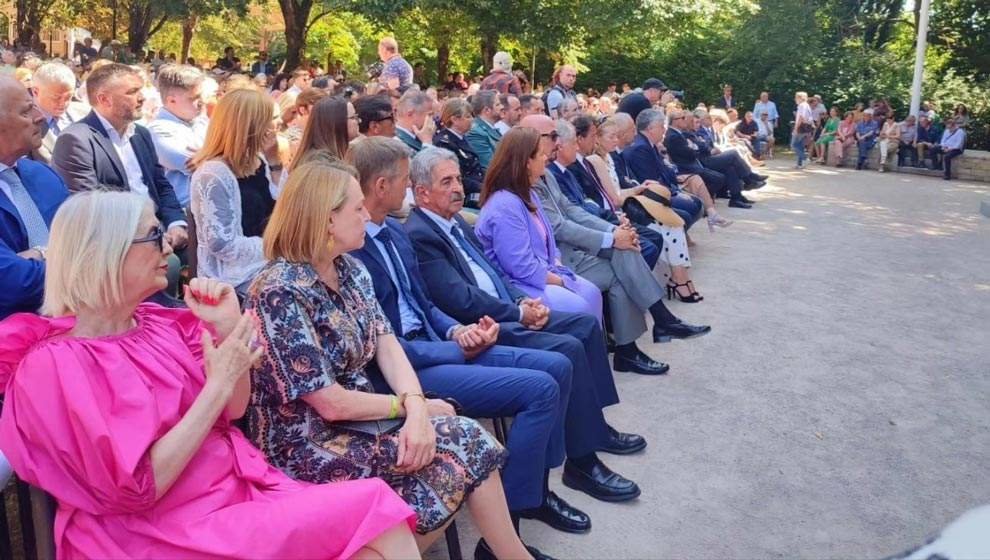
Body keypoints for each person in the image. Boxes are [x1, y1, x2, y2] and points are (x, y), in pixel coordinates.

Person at [0, 189, 421, 559]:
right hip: (155, 532)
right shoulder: (53, 365)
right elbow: (136, 488)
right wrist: (216, 386)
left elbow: (232, 410)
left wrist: (226, 329)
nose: (169, 245)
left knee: (372, 540)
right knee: (376, 510)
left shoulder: (159, 325)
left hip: (231, 495)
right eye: (152, 235)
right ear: (104, 252)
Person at [342, 139, 566, 559]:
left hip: (435, 346)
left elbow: (423, 304)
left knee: (554, 367)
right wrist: (452, 350)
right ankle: (506, 532)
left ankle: (528, 500)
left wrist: (457, 332)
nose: (411, 189)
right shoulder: (354, 251)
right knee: (541, 389)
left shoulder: (391, 230)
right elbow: (382, 346)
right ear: (381, 185)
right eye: (408, 181)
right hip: (405, 371)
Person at [405, 146, 647, 528]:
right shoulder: (420, 234)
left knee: (583, 327)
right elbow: (459, 298)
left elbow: (493, 272)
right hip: (487, 325)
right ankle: (577, 463)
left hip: (507, 310)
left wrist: (522, 300)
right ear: (421, 194)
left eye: (457, 178)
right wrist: (517, 312)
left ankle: (590, 434)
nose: (457, 188)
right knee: (564, 353)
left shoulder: (455, 222)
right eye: (446, 182)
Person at [520, 114, 710, 375]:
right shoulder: (525, 177)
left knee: (626, 251)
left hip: (573, 249)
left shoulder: (543, 173)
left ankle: (637, 343)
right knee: (624, 260)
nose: (557, 142)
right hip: (555, 261)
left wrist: (614, 230)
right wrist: (611, 237)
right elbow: (558, 226)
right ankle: (646, 334)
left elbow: (572, 210)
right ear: (529, 138)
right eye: (551, 136)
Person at [52, 63, 188, 251]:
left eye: (141, 90)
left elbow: (160, 185)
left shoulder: (141, 134)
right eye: (132, 92)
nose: (142, 98)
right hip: (119, 243)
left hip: (158, 231)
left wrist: (176, 223)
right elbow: (91, 207)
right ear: (104, 99)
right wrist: (149, 238)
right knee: (172, 268)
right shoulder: (76, 140)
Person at [475, 128, 603, 321]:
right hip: (518, 285)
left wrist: (558, 267)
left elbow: (548, 244)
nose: (546, 159)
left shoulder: (529, 193)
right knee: (578, 306)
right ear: (527, 162)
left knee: (592, 292)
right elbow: (520, 267)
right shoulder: (505, 205)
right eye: (541, 154)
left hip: (543, 273)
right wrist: (560, 281)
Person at [188, 89, 277, 290]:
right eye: (268, 120)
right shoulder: (212, 174)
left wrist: (275, 161)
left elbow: (284, 208)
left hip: (270, 260)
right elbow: (221, 244)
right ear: (249, 127)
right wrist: (275, 247)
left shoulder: (259, 161)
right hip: (235, 275)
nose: (274, 127)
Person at [0, 76, 70, 319]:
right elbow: (12, 283)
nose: (40, 117)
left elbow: (91, 241)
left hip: (72, 325)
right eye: (26, 111)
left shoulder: (43, 175)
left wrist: (39, 254)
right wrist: (75, 262)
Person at [624, 109, 709, 221]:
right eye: (661, 127)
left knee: (697, 203)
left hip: (662, 189)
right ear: (650, 129)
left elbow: (666, 171)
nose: (664, 130)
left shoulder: (650, 145)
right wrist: (674, 192)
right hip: (651, 196)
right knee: (692, 207)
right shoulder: (641, 148)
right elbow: (651, 179)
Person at [147, 64, 209, 208]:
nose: (202, 102)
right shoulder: (158, 131)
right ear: (171, 100)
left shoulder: (202, 121)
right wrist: (219, 153)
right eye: (194, 98)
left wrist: (209, 154)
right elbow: (195, 164)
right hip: (182, 215)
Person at [30, 62, 88, 165]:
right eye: (56, 98)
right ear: (35, 92)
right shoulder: (23, 125)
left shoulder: (86, 112)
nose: (63, 103)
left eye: (68, 97)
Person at [433, 98, 485, 207]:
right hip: (463, 197)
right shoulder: (445, 143)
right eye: (467, 116)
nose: (472, 120)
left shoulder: (462, 138)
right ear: (455, 119)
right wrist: (483, 187)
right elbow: (459, 177)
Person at [466, 90, 503, 169]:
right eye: (498, 105)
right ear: (487, 110)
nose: (502, 107)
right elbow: (490, 166)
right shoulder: (476, 133)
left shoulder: (491, 128)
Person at [393, 89, 436, 153]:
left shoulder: (419, 137)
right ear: (410, 113)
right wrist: (427, 142)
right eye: (429, 115)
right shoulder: (396, 143)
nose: (432, 119)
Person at [791, 91, 815, 169]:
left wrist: (796, 128)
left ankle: (805, 159)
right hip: (807, 128)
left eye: (796, 97)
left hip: (801, 127)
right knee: (800, 145)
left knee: (794, 145)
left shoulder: (801, 105)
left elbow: (801, 117)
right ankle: (799, 164)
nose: (795, 99)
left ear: (800, 98)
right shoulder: (807, 105)